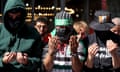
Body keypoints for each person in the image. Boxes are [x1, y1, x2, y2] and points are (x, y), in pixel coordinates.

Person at [0, 0, 44, 72]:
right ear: (6, 15)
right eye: (11, 16)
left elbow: (38, 60)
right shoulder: (0, 30)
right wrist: (2, 61)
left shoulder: (33, 33)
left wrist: (27, 62)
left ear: (22, 16)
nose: (14, 19)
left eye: (17, 16)